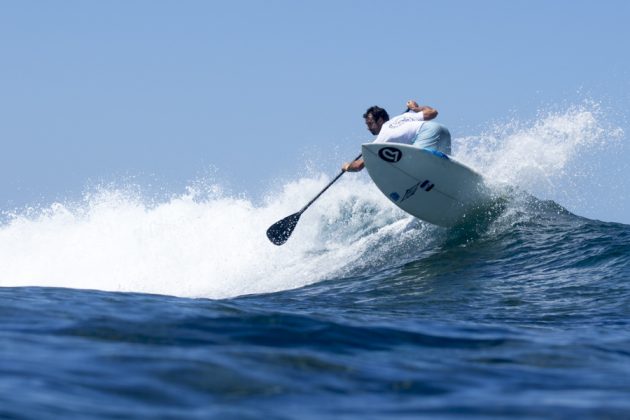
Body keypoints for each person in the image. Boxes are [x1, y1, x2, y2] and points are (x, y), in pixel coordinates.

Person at [342, 100, 451, 172]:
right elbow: (433, 112)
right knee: (446, 167)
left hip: (427, 133)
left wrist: (347, 167)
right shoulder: (403, 117)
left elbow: (358, 166)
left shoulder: (383, 138)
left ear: (380, 120)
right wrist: (414, 108)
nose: (368, 128)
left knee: (412, 168)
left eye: (370, 124)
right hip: (442, 130)